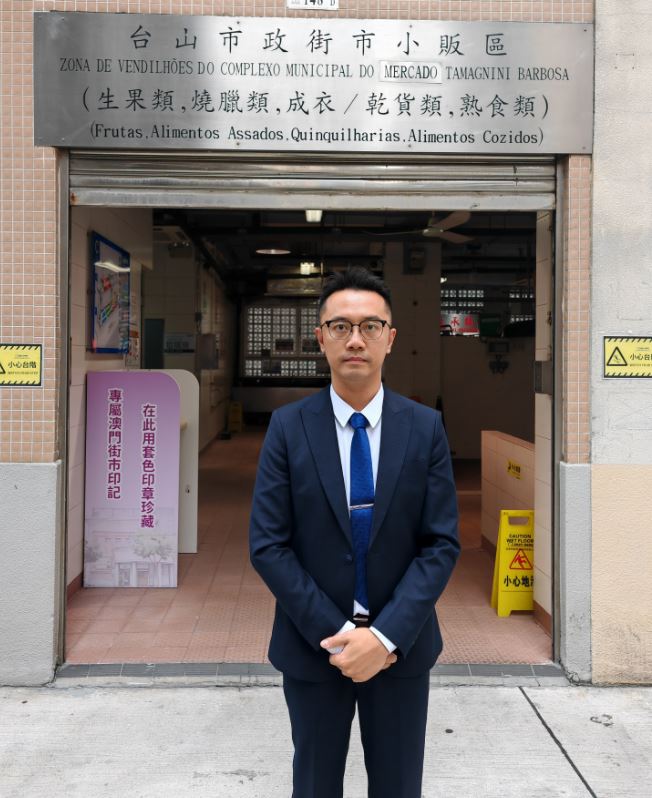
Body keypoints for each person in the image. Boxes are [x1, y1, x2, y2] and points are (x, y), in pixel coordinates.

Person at [249, 267, 460, 798]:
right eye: (340, 326)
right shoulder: (288, 427)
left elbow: (440, 544)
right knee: (315, 784)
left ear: (391, 337)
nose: (356, 339)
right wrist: (340, 635)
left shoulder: (424, 428)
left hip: (400, 649)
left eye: (370, 326)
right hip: (314, 647)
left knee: (398, 786)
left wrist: (383, 638)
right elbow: (269, 545)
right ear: (320, 338)